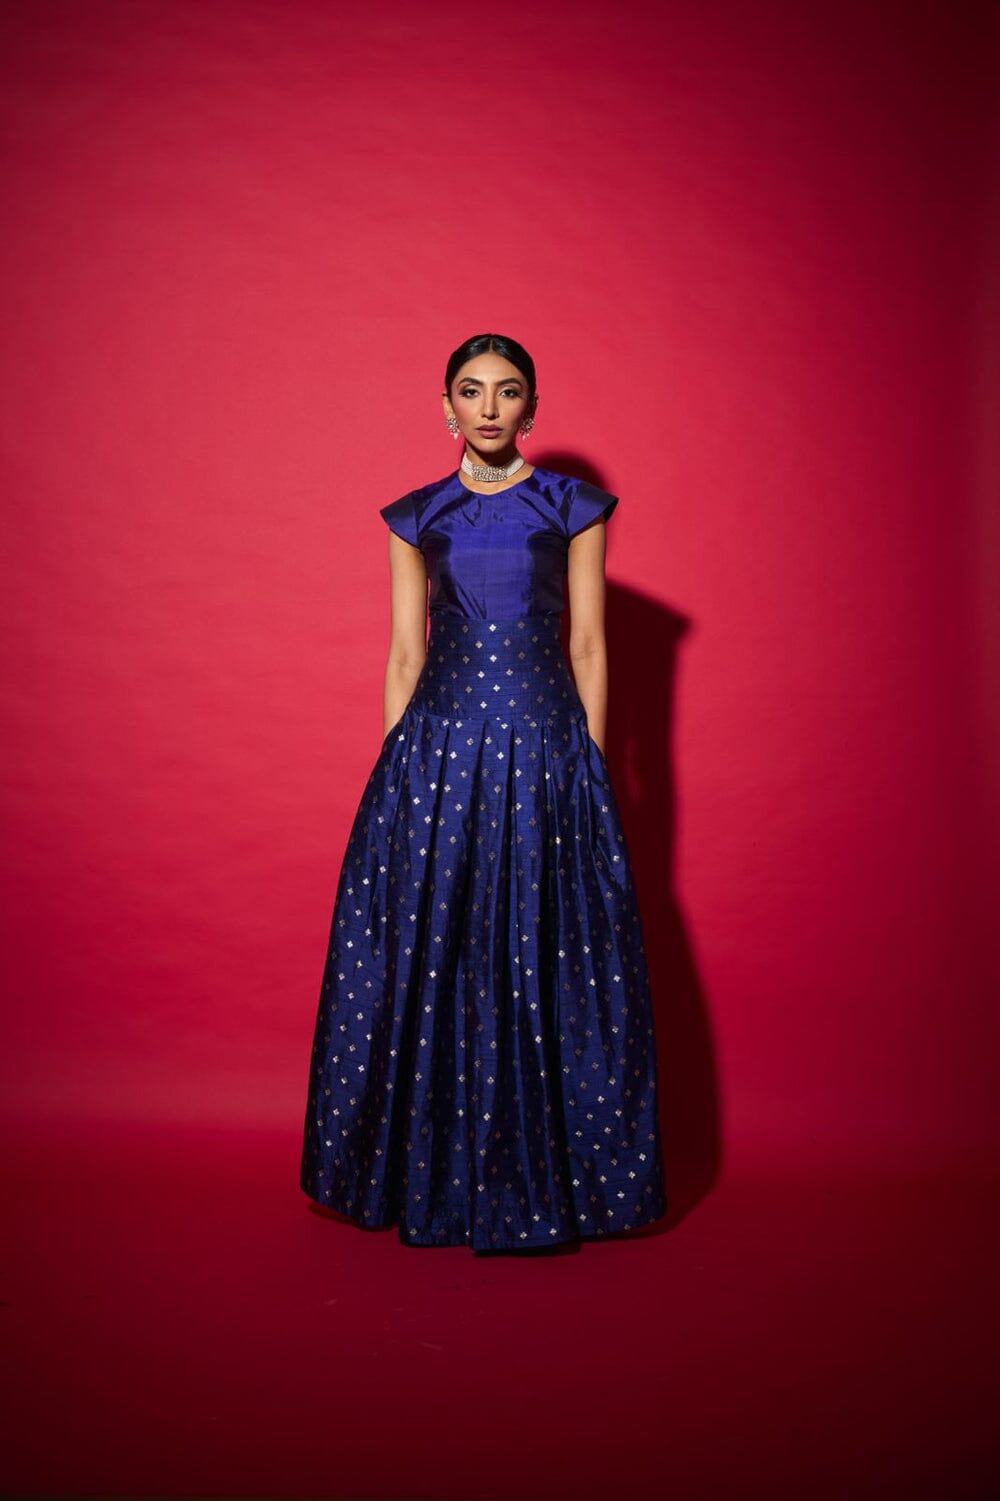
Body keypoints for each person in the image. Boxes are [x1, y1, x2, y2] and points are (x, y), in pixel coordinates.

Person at [300, 332, 667, 1253]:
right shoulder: (416, 515)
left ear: (532, 407)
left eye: (508, 392)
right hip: (437, 756)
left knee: (545, 947)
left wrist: (590, 763)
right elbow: (404, 653)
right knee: (435, 952)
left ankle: (557, 1181)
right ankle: (425, 1177)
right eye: (472, 391)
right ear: (447, 407)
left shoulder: (572, 506)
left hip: (544, 752)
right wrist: (394, 774)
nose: (490, 407)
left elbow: (589, 644)